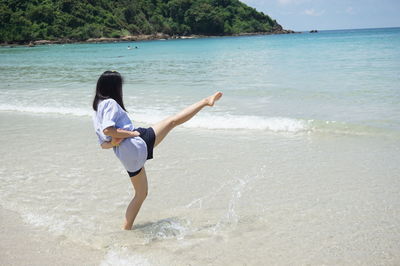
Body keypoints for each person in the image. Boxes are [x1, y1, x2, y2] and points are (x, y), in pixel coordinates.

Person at [92, 70, 222, 230]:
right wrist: (131, 133)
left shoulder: (97, 111)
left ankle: (125, 230)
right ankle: (205, 101)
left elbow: (103, 144)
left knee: (141, 194)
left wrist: (115, 142)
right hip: (135, 144)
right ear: (114, 87)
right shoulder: (110, 103)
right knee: (172, 121)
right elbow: (108, 130)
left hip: (126, 156)